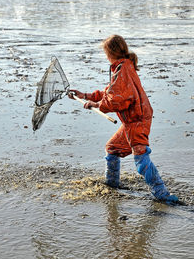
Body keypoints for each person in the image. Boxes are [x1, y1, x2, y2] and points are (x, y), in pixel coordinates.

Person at [69, 35, 179, 203]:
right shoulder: (121, 67)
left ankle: (163, 196)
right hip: (132, 121)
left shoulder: (123, 70)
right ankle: (112, 185)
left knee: (141, 158)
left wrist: (96, 105)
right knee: (112, 149)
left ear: (110, 52)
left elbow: (117, 99)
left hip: (137, 120)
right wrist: (85, 95)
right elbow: (109, 92)